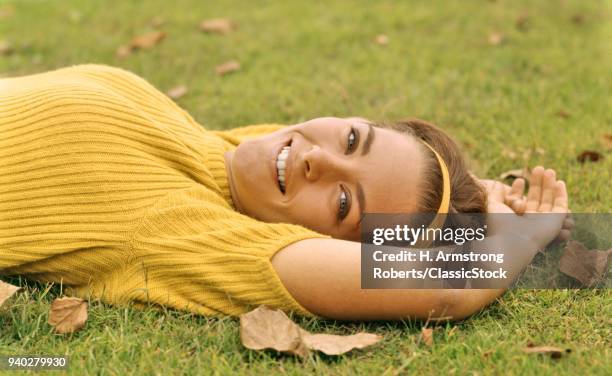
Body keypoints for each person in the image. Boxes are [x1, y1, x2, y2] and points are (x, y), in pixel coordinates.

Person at [0, 64, 569, 321]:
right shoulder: (212, 148)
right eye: (352, 137)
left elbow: (447, 293)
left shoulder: (190, 231)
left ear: (319, 242)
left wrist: (515, 234)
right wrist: (477, 194)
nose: (317, 158)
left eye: (345, 204)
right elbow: (304, 151)